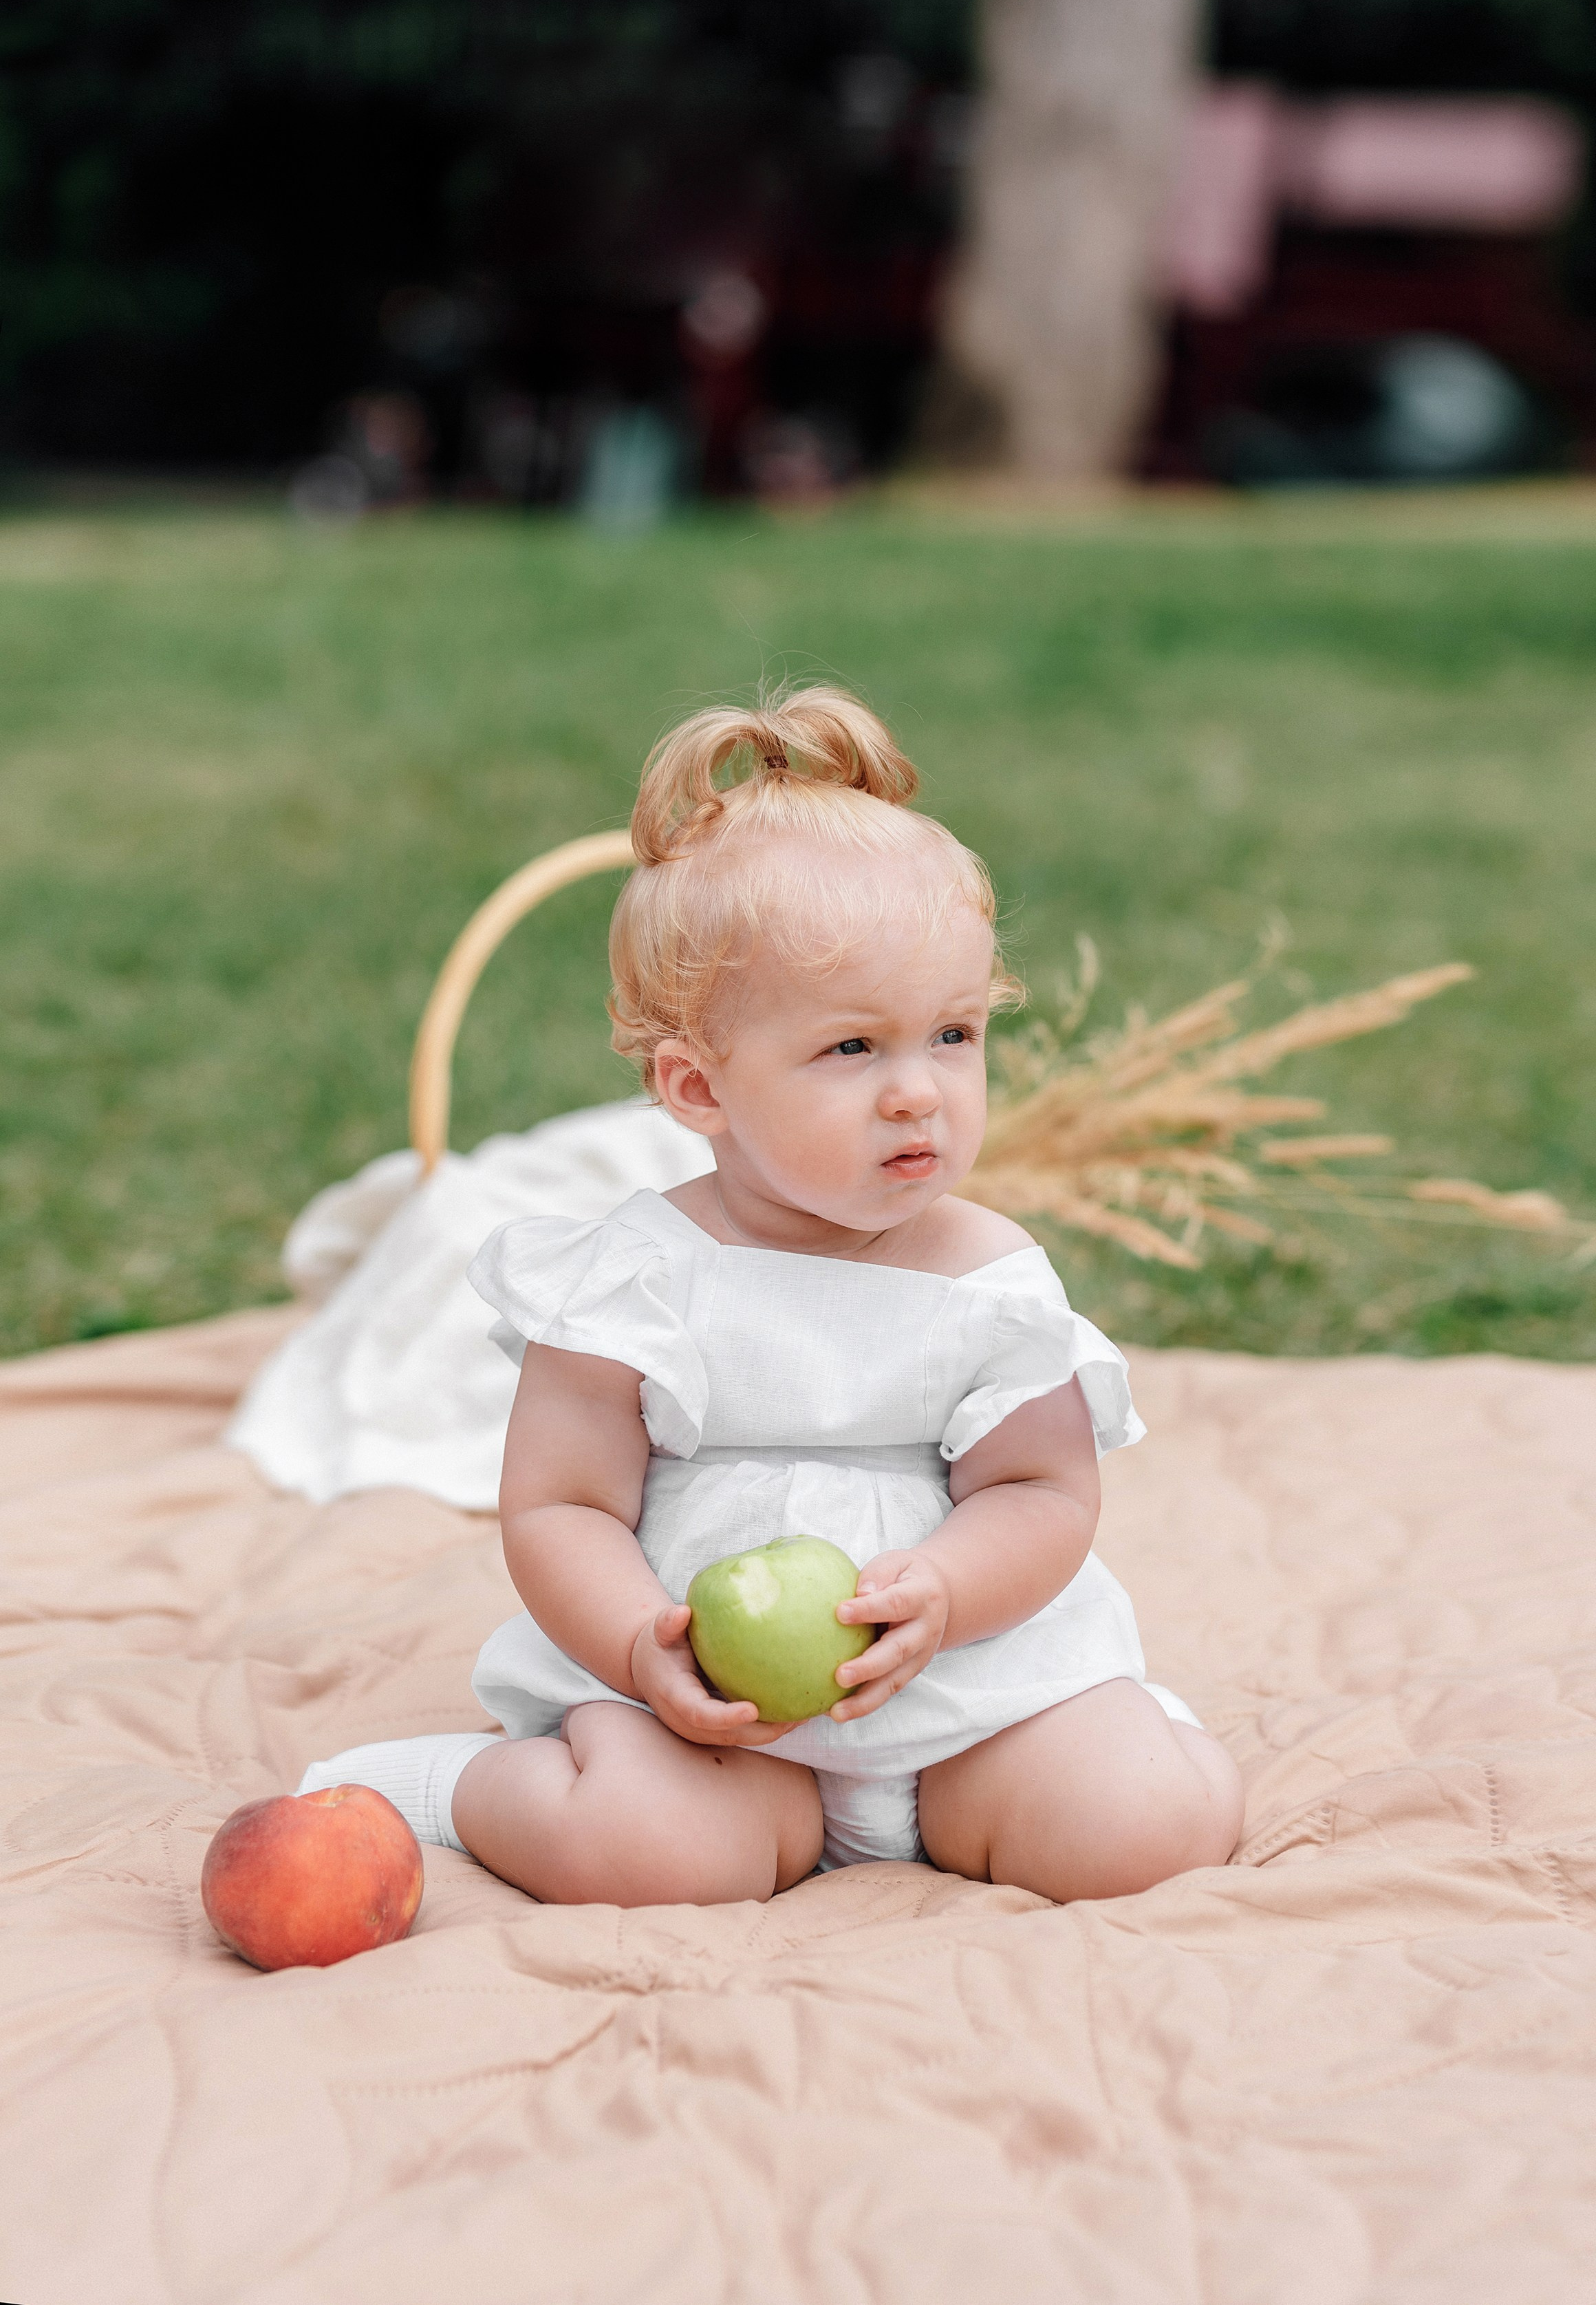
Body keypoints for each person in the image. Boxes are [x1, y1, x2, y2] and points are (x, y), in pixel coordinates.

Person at [303, 687, 1244, 1904]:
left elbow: (1042, 1488)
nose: (919, 1092)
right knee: (647, 1852)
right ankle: (453, 1788)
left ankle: (1145, 1737)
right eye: (854, 1049)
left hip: (965, 1693)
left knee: (1137, 1831)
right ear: (698, 1086)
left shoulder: (988, 1276)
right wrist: (642, 1649)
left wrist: (950, 1590)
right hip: (713, 1721)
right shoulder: (631, 1283)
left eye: (953, 1035)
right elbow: (561, 1509)